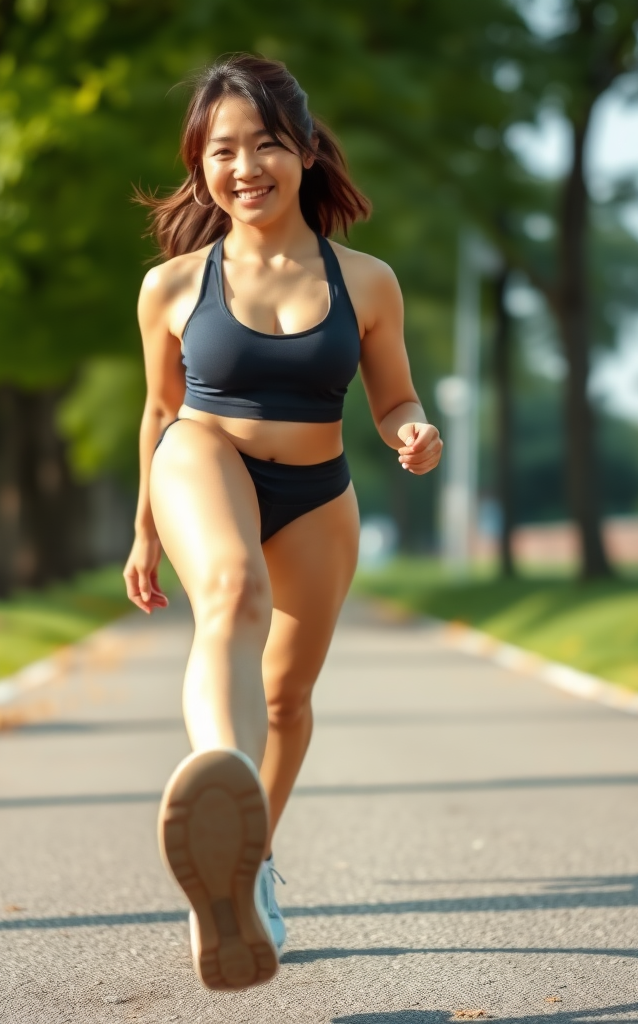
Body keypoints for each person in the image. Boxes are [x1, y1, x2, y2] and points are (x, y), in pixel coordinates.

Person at [123, 53, 443, 991]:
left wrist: (413, 431)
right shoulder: (172, 285)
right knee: (230, 592)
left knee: (287, 703)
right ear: (200, 167)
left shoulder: (369, 282)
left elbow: (395, 401)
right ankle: (219, 775)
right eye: (222, 150)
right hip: (203, 455)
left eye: (265, 144)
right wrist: (145, 528)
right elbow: (157, 411)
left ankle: (244, 863)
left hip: (317, 491)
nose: (244, 167)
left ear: (305, 151)